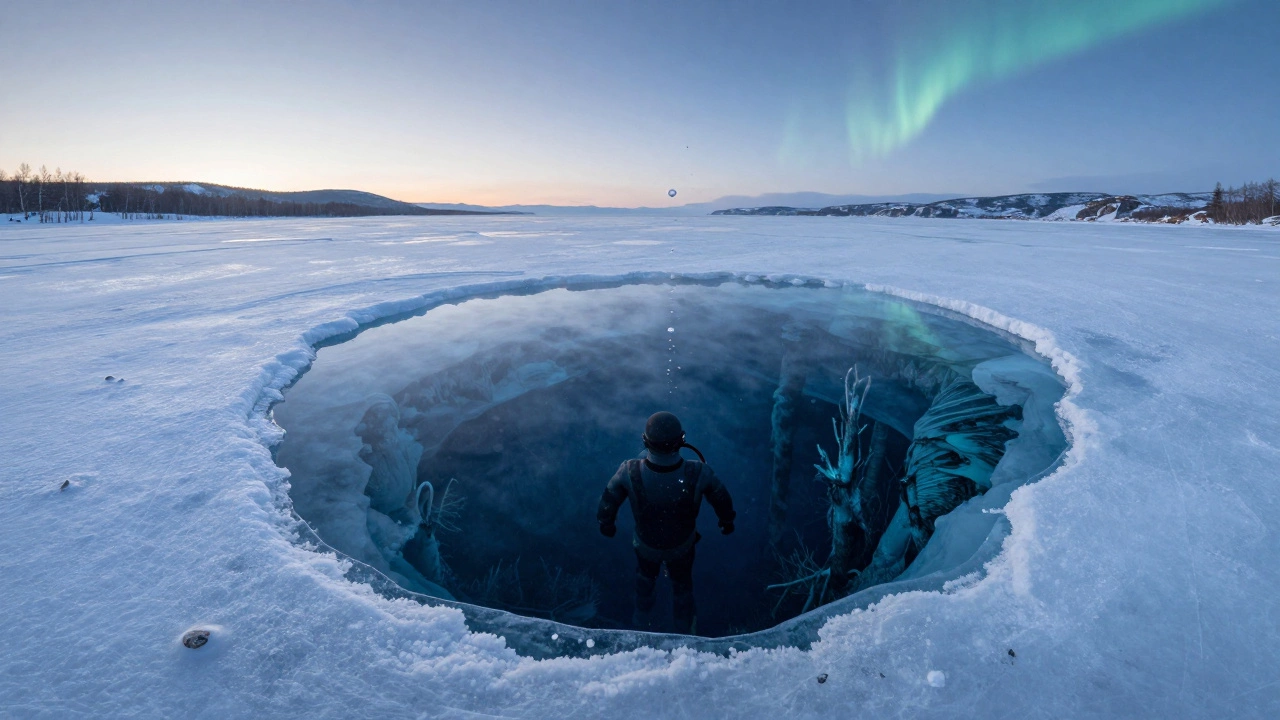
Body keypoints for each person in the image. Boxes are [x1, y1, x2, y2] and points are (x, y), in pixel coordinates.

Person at [597, 411, 735, 634]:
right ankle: (684, 634)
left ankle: (641, 626)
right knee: (682, 587)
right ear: (682, 440)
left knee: (644, 582)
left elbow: (608, 502)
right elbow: (722, 500)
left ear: (645, 441)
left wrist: (607, 524)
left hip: (646, 546)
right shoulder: (699, 472)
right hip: (682, 547)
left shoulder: (629, 471)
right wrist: (726, 522)